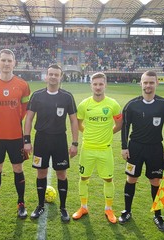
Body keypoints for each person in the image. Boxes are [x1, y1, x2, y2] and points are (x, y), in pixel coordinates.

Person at [118, 71, 164, 231]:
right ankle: (127, 211)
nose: (148, 85)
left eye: (151, 82)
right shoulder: (131, 104)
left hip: (155, 148)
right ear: (140, 84)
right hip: (135, 147)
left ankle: (158, 215)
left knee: (155, 181)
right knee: (131, 179)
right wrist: (124, 146)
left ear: (157, 83)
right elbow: (125, 127)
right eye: (145, 82)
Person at [24, 64, 78, 222]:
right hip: (41, 139)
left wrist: (74, 143)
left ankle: (63, 208)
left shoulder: (67, 97)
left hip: (60, 139)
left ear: (61, 77)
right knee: (41, 172)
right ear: (46, 76)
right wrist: (26, 140)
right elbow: (29, 118)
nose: (53, 77)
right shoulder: (37, 95)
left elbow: (74, 121)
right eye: (51, 74)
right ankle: (40, 205)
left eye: (56, 74)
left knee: (62, 173)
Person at [0, 49, 30, 219]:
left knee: (18, 168)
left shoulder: (23, 85)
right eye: (3, 60)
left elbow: (24, 110)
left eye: (10, 60)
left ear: (14, 63)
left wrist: (13, 119)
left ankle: (21, 203)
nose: (6, 63)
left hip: (16, 134)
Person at [72, 72, 122, 223]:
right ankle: (83, 207)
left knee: (108, 179)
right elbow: (78, 124)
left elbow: (119, 124)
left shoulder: (113, 104)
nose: (98, 87)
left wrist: (108, 133)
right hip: (87, 149)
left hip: (105, 149)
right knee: (83, 177)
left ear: (105, 85)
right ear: (91, 86)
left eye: (101, 84)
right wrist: (87, 133)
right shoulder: (84, 105)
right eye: (95, 84)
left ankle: (108, 209)